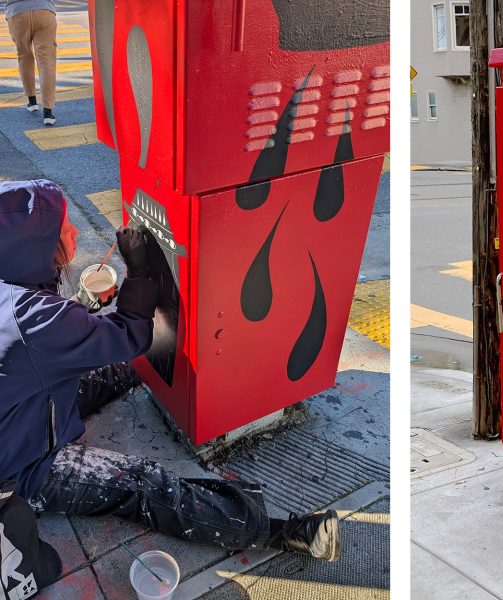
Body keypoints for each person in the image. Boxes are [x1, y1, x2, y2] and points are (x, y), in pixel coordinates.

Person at [0, 180, 340, 599]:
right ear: (35, 244)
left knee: (113, 368)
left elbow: (39, 344)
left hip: (23, 407)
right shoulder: (34, 317)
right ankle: (282, 531)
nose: (76, 234)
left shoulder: (11, 288)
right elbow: (125, 334)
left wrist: (90, 304)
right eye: (65, 228)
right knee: (142, 483)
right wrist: (140, 274)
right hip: (19, 464)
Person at [4, 0, 58, 126]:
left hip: (17, 12)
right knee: (46, 61)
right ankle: (48, 112)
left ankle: (32, 102)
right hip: (44, 10)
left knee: (24, 56)